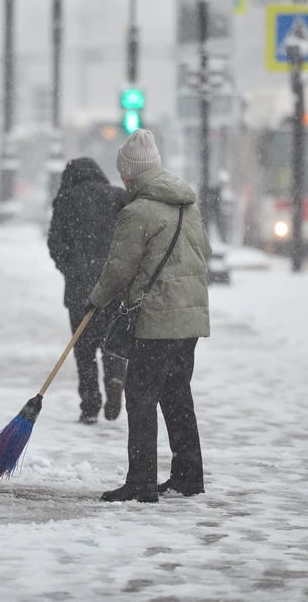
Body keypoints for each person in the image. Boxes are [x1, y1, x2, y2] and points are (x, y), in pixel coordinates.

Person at [86, 129, 211, 504]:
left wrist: (96, 300)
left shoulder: (137, 212)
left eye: (124, 173)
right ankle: (189, 476)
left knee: (140, 396)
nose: (122, 180)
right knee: (176, 395)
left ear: (133, 174)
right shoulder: (187, 205)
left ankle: (141, 481)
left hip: (157, 319)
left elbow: (119, 269)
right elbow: (199, 254)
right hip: (189, 319)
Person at [48, 158, 128, 425]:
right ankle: (116, 376)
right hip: (114, 285)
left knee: (84, 349)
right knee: (112, 341)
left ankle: (90, 404)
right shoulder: (118, 197)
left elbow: (55, 244)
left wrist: (73, 269)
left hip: (79, 289)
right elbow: (131, 238)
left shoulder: (66, 200)